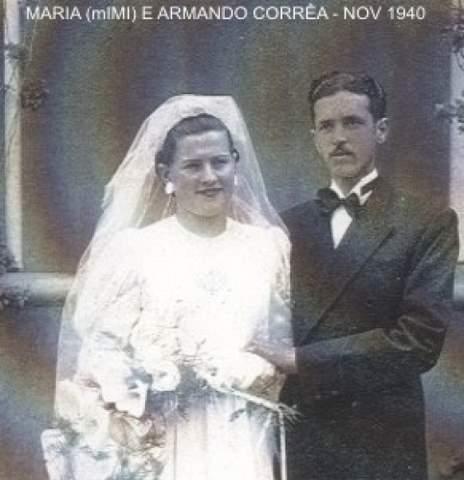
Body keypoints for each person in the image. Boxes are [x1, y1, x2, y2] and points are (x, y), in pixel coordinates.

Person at [41, 95, 292, 480]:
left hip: (244, 433)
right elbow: (99, 351)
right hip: (164, 437)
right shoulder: (134, 251)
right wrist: (147, 377)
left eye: (220, 162)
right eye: (193, 165)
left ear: (235, 165)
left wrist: (251, 371)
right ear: (165, 174)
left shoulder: (268, 247)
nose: (209, 176)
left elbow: (283, 339)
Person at [250, 72, 459, 479]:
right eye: (327, 126)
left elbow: (418, 340)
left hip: (381, 437)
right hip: (304, 432)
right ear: (314, 137)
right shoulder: (285, 227)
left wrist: (301, 360)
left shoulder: (427, 222)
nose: (339, 138)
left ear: (381, 130)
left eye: (352, 123)